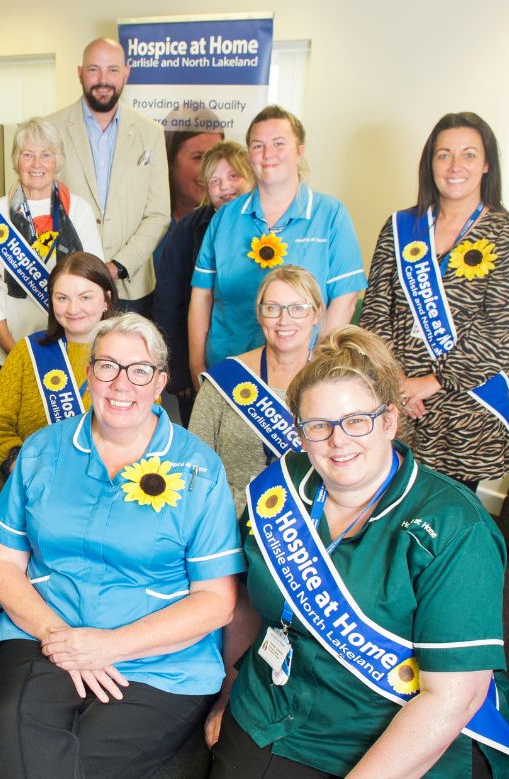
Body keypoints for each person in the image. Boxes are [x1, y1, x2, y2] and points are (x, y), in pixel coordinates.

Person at [204, 326, 509, 779]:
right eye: (318, 426)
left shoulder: (456, 525)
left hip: (408, 725)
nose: (338, 441)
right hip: (279, 708)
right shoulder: (279, 488)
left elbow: (452, 696)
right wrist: (231, 691)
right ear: (301, 433)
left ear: (390, 421)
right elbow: (251, 599)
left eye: (357, 420)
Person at [0, 313, 243, 779]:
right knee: (15, 739)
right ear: (88, 374)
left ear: (161, 382)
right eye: (107, 367)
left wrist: (110, 646)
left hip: (159, 660)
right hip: (45, 635)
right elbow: (0, 562)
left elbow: (216, 602)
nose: (122, 384)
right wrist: (60, 636)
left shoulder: (199, 468)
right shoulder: (42, 450)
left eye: (139, 370)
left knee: (40, 770)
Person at [359, 112, 509, 490]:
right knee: (384, 511)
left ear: (487, 164)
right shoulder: (399, 227)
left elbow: (497, 331)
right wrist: (398, 383)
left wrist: (431, 382)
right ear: (430, 163)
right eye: (444, 155)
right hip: (397, 404)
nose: (456, 166)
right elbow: (375, 313)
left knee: (450, 526)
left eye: (469, 154)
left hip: (465, 412)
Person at [189, 105, 365, 386]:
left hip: (302, 377)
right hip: (228, 370)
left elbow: (345, 299)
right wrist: (196, 365)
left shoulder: (330, 215)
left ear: (300, 150)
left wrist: (318, 365)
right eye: (258, 146)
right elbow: (202, 297)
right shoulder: (225, 218)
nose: (268, 154)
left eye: (279, 144)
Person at [0, 118, 104, 379]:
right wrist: (14, 350)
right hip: (6, 350)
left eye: (46, 155)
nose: (36, 164)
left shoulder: (79, 210)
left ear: (58, 161)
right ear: (16, 160)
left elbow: (95, 283)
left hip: (72, 347)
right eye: (27, 154)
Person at [47, 38, 170, 315]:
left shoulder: (150, 133)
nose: (103, 79)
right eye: (94, 70)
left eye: (112, 70)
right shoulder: (50, 129)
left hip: (131, 287)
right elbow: (38, 207)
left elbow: (159, 213)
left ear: (126, 73)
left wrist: (118, 265)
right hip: (69, 286)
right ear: (79, 72)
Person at [189, 265, 321, 514]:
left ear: (316, 314)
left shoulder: (335, 383)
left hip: (306, 534)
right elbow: (196, 466)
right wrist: (243, 512)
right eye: (272, 308)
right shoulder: (224, 380)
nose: (284, 320)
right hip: (225, 520)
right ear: (259, 315)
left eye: (297, 308)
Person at [0, 252, 117, 478]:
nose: (73, 309)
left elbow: (144, 431)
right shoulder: (26, 353)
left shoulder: (131, 356)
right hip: (30, 484)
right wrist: (25, 470)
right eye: (62, 298)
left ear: (106, 299)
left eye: (85, 297)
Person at [156, 142, 254, 425]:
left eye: (233, 176)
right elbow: (168, 302)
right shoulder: (188, 230)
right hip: (203, 362)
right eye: (215, 180)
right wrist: (183, 369)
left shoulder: (271, 226)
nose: (225, 187)